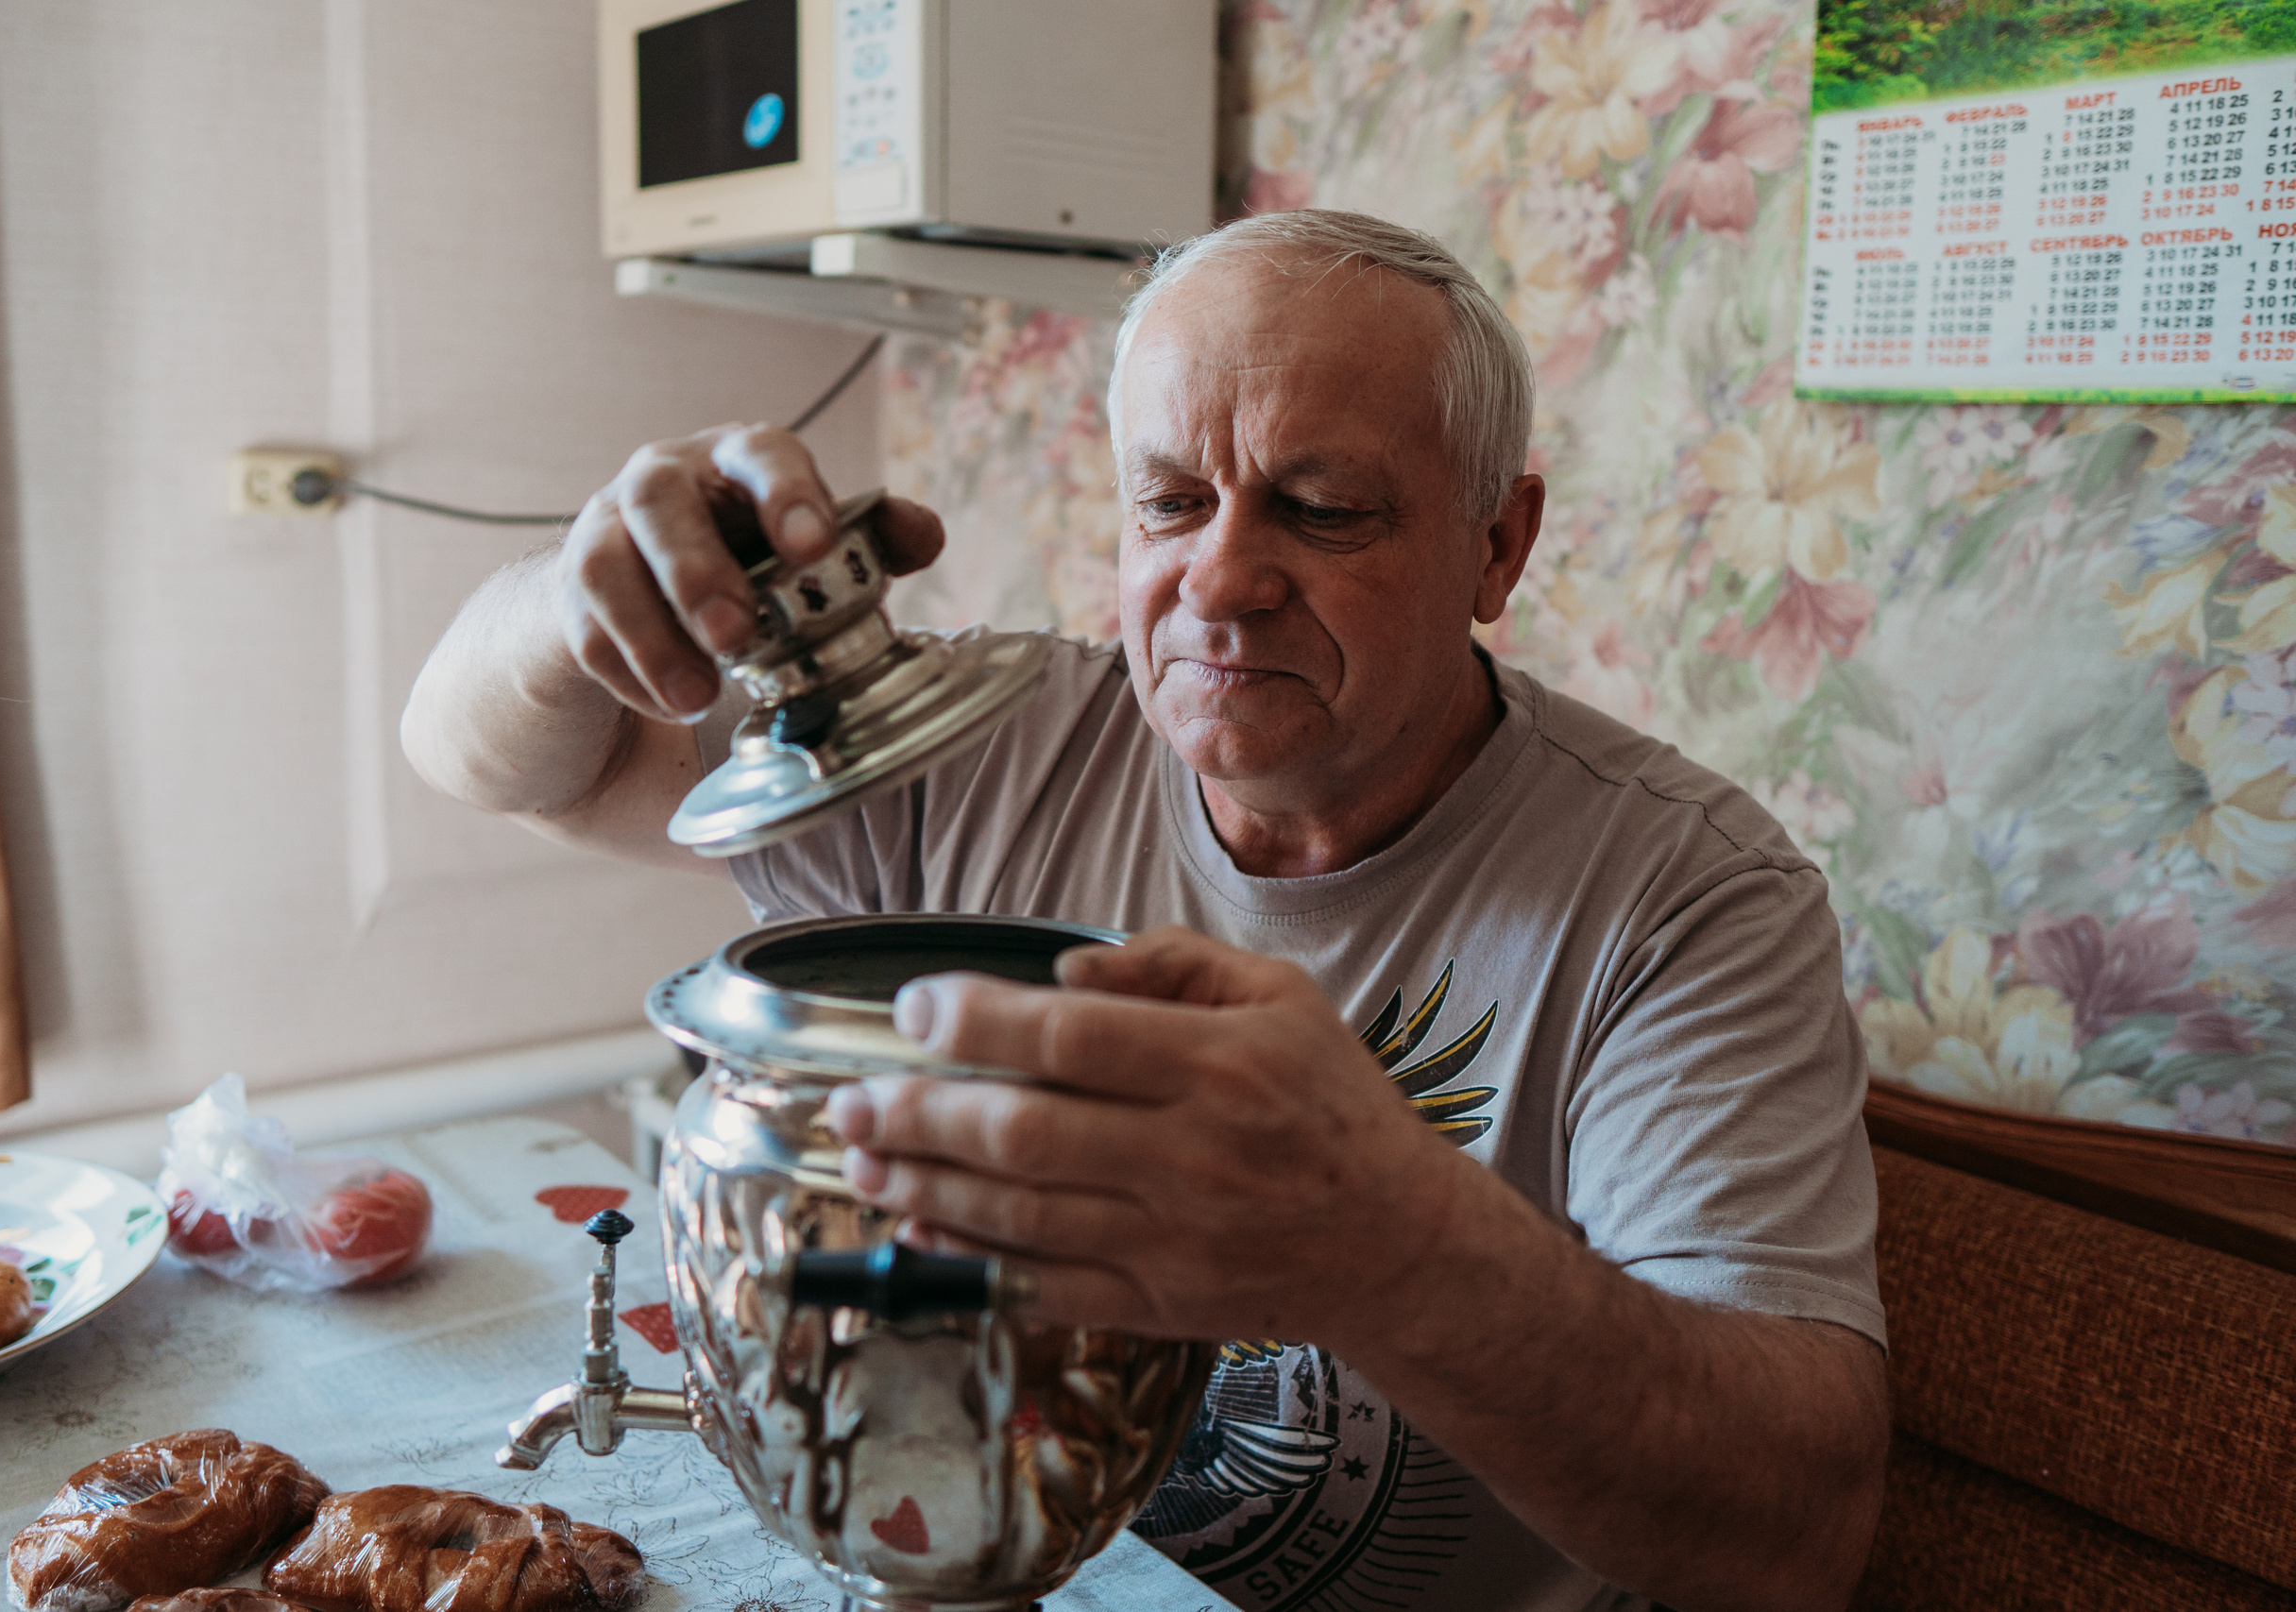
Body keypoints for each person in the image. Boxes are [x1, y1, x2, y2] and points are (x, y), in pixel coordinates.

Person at [403, 210, 1889, 1612]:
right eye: (1171, 501)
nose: (1223, 578)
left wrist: (1382, 1239)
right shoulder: (980, 751)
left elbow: (1792, 1538)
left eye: (1323, 509)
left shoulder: (1688, 901)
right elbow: (505, 761)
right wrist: (575, 597)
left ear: (1499, 545)